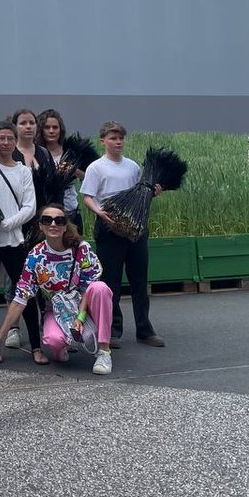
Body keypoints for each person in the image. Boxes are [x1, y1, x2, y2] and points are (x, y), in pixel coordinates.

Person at [0, 202, 114, 375]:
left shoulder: (81, 249)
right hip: (57, 309)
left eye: (59, 220)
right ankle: (64, 343)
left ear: (65, 226)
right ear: (41, 226)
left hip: (83, 305)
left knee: (100, 288)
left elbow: (88, 285)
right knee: (53, 341)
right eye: (47, 220)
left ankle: (104, 351)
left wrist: (80, 316)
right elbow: (20, 298)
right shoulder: (35, 256)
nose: (53, 224)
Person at [81, 120, 164, 348]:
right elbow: (87, 196)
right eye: (113, 138)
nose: (118, 142)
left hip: (135, 230)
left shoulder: (133, 167)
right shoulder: (96, 168)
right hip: (108, 229)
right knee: (111, 282)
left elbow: (139, 195)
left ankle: (144, 329)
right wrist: (100, 212)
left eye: (120, 138)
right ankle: (113, 330)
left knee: (139, 279)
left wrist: (152, 193)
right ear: (103, 141)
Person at [0, 120, 42, 363]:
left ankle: (37, 346)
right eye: (1, 138)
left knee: (25, 292)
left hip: (13, 239)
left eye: (10, 138)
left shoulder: (23, 171)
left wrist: (7, 224)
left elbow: (31, 207)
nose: (6, 143)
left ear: (15, 140)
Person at [36, 108, 82, 228]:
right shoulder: (36, 153)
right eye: (47, 127)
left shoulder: (71, 151)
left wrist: (73, 170)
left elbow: (89, 177)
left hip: (71, 212)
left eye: (55, 127)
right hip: (46, 214)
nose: (51, 131)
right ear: (40, 130)